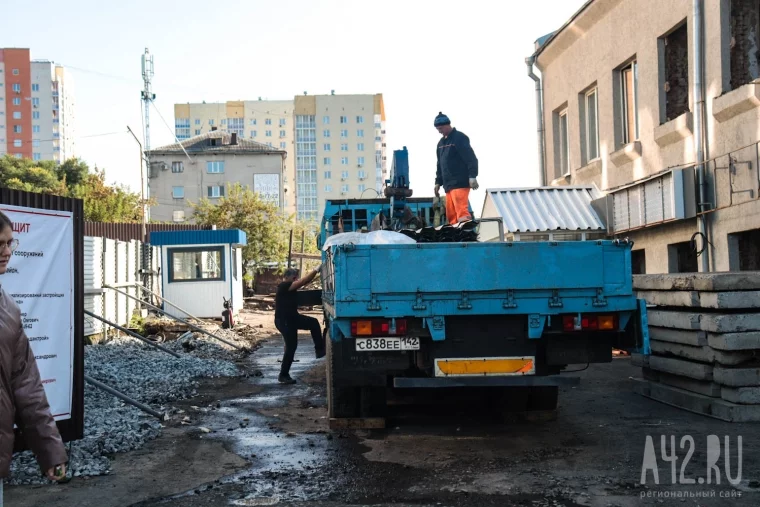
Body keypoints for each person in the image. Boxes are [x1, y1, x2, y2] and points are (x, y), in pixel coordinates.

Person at [0, 211, 68, 500]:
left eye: (10, 244)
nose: (6, 252)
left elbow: (27, 387)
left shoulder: (9, 311)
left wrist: (50, 451)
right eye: (0, 244)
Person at [274, 266, 325, 385]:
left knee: (313, 323)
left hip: (292, 318)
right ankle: (283, 375)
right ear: (286, 277)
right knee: (291, 347)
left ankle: (319, 350)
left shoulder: (289, 287)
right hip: (285, 321)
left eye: (296, 277)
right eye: (293, 277)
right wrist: (316, 269)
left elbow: (305, 282)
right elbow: (303, 281)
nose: (295, 279)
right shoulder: (284, 285)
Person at [433, 112, 479, 224]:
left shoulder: (460, 138)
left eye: (441, 128)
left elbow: (471, 158)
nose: (439, 131)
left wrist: (472, 176)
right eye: (437, 129)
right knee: (451, 215)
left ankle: (465, 236)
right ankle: (456, 237)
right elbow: (440, 164)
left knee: (461, 213)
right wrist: (438, 182)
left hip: (460, 183)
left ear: (447, 125)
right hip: (448, 185)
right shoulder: (440, 144)